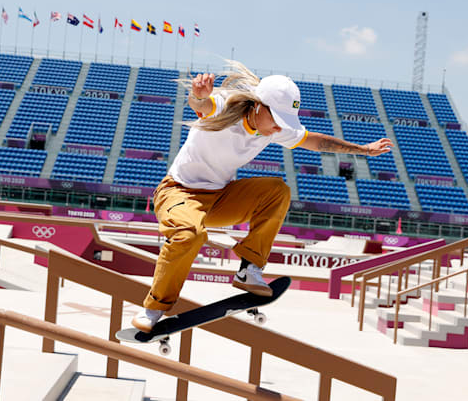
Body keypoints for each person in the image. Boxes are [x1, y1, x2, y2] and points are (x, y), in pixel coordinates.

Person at [132, 61, 394, 332]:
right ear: (258, 105)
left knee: (277, 191)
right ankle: (154, 308)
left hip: (220, 198)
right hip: (179, 192)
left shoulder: (272, 126)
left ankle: (250, 269)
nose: (279, 129)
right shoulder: (227, 105)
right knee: (189, 235)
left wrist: (362, 150)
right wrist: (198, 95)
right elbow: (203, 106)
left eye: (285, 123)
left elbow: (315, 141)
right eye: (277, 121)